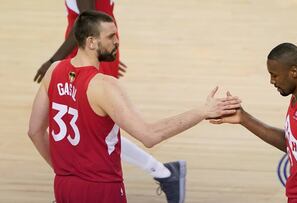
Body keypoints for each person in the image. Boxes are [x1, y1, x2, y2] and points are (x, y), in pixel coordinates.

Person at [28, 10, 241, 203]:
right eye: (111, 37)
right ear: (91, 42)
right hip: (101, 189)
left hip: (63, 186)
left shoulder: (54, 71)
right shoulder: (104, 86)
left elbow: (35, 131)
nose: (117, 41)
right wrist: (204, 111)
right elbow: (149, 135)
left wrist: (64, 172)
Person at [210, 43, 297, 203]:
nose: (271, 81)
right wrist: (243, 118)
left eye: (274, 75)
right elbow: (292, 144)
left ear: (293, 72)